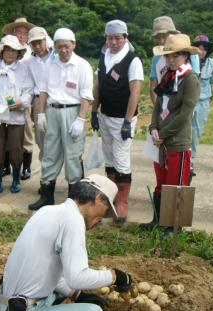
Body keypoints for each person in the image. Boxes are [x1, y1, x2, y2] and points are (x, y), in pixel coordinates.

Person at [0, 174, 133, 311]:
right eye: (105, 210)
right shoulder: (73, 220)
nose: (102, 218)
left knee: (65, 287)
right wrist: (115, 276)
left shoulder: (48, 210)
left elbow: (50, 271)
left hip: (8, 306)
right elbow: (77, 277)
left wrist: (79, 294)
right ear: (98, 198)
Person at [139, 34, 200, 231]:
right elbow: (158, 104)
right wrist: (153, 127)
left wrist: (164, 132)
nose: (171, 60)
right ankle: (157, 220)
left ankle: (173, 227)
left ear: (185, 56)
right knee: (161, 184)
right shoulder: (168, 75)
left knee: (176, 187)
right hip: (160, 140)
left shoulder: (190, 79)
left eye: (175, 56)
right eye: (168, 56)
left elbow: (185, 113)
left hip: (177, 141)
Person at [28, 28, 94, 211]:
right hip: (52, 111)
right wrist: (40, 114)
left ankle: (74, 200)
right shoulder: (51, 64)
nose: (63, 50)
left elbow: (86, 96)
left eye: (66, 46)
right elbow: (43, 91)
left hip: (72, 113)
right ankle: (46, 196)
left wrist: (81, 119)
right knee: (50, 153)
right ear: (54, 47)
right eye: (59, 47)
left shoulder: (83, 66)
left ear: (73, 44)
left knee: (72, 155)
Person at [91, 20, 143, 223]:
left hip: (123, 117)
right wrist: (94, 111)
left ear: (125, 38)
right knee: (109, 156)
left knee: (121, 158)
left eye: (117, 38)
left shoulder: (132, 60)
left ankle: (122, 202)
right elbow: (98, 86)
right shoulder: (104, 56)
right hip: (106, 115)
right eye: (110, 38)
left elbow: (136, 91)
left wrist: (128, 121)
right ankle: (111, 197)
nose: (113, 42)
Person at [0, 35, 32, 193]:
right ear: (2, 52)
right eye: (7, 50)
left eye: (13, 50)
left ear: (18, 53)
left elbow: (28, 92)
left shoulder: (24, 69)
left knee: (16, 149)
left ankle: (16, 180)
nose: (10, 53)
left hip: (16, 116)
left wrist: (21, 103)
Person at [2, 17, 35, 180]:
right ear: (13, 33)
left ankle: (26, 168)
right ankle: (6, 166)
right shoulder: (4, 48)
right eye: (19, 32)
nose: (22, 36)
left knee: (27, 134)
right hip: (5, 100)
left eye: (25, 33)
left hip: (24, 100)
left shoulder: (31, 52)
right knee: (6, 134)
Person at [149, 16, 200, 106]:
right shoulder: (156, 58)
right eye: (158, 38)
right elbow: (154, 85)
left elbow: (195, 83)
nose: (161, 41)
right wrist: (158, 108)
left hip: (185, 103)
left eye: (164, 36)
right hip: (164, 102)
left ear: (174, 34)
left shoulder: (190, 54)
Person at [26, 27, 55, 163]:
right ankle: (47, 174)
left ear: (45, 40)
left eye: (40, 42)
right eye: (33, 44)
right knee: (40, 137)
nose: (37, 47)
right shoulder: (30, 62)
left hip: (56, 100)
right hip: (38, 102)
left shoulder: (56, 56)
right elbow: (30, 86)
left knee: (57, 137)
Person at [190, 35, 213, 170]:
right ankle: (182, 156)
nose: (201, 51)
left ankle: (191, 158)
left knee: (197, 131)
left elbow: (212, 82)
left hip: (203, 102)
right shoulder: (186, 61)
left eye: (204, 49)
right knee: (185, 130)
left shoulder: (212, 63)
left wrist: (207, 97)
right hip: (188, 100)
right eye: (198, 48)